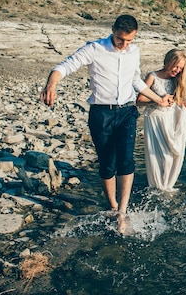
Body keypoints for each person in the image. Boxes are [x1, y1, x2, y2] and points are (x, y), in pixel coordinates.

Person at [40, 14, 173, 230]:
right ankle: (112, 206)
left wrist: (159, 99)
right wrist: (51, 85)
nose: (124, 45)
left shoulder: (134, 52)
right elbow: (65, 66)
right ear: (113, 30)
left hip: (127, 112)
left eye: (129, 40)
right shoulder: (95, 49)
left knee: (126, 161)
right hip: (101, 113)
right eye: (121, 39)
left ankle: (122, 211)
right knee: (107, 163)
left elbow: (135, 80)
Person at [137, 49, 186, 192]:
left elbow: (175, 100)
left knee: (174, 155)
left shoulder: (176, 80)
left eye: (180, 68)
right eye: (176, 66)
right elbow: (139, 101)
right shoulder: (152, 76)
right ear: (168, 61)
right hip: (155, 119)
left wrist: (182, 104)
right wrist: (157, 101)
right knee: (163, 157)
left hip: (171, 118)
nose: (177, 70)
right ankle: (158, 186)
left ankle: (166, 185)